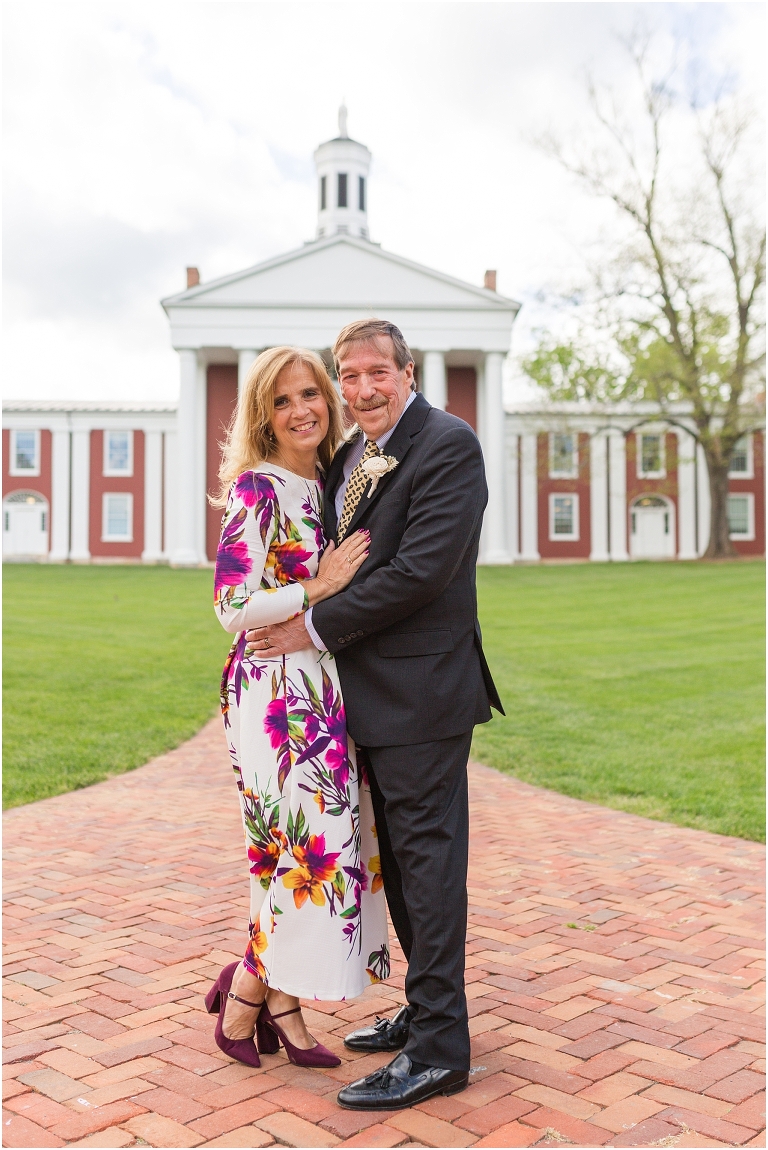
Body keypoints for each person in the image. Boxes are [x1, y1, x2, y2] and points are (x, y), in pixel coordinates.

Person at [246, 319, 504, 1110]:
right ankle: (423, 1014)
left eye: (374, 374)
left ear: (407, 370)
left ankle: (440, 1051)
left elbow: (423, 572)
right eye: (348, 377)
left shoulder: (448, 445)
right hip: (366, 701)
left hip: (423, 695)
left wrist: (311, 627)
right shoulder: (355, 455)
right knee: (400, 864)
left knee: (429, 869)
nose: (360, 391)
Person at [206, 346, 389, 1071]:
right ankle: (250, 994)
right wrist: (316, 585)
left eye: (310, 393)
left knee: (324, 848)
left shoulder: (335, 483)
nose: (301, 410)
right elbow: (230, 607)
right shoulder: (259, 489)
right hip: (274, 697)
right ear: (263, 413)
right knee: (296, 852)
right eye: (282, 401)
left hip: (325, 689)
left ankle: (271, 995)